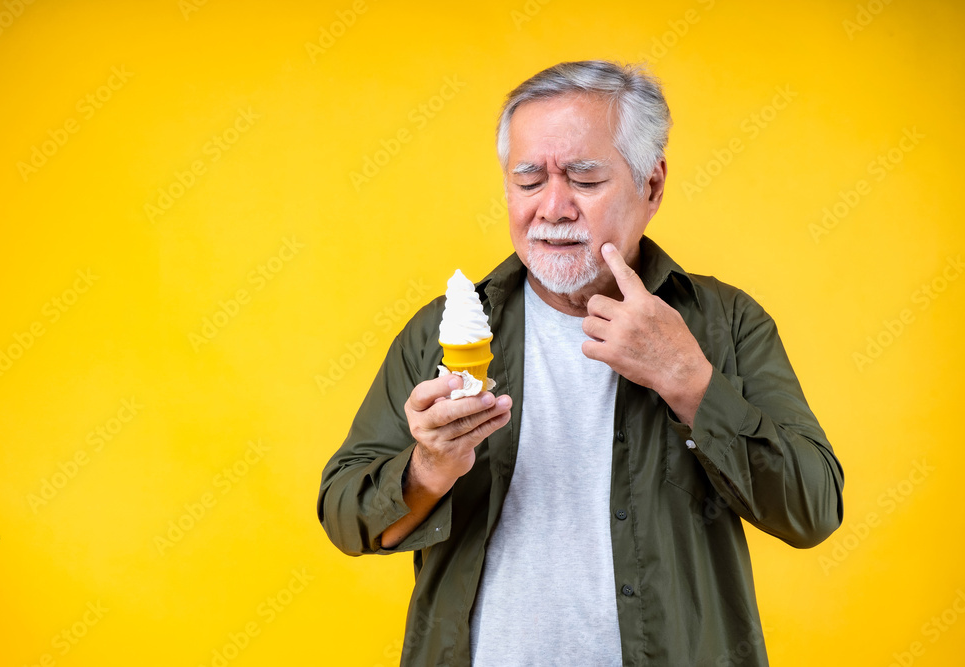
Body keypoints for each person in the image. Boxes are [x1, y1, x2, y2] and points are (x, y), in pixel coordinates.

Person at [318, 60, 843, 666]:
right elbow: (345, 516)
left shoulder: (724, 323)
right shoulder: (442, 331)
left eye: (585, 179)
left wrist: (689, 382)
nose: (553, 207)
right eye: (528, 179)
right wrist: (428, 467)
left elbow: (813, 510)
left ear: (652, 184)